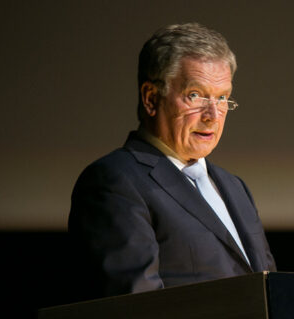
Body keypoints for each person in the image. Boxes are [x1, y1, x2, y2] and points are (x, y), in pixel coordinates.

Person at [69, 23, 276, 300]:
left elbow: (270, 290)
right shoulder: (115, 182)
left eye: (222, 98)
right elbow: (137, 305)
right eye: (195, 95)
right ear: (151, 98)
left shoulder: (234, 186)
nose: (213, 115)